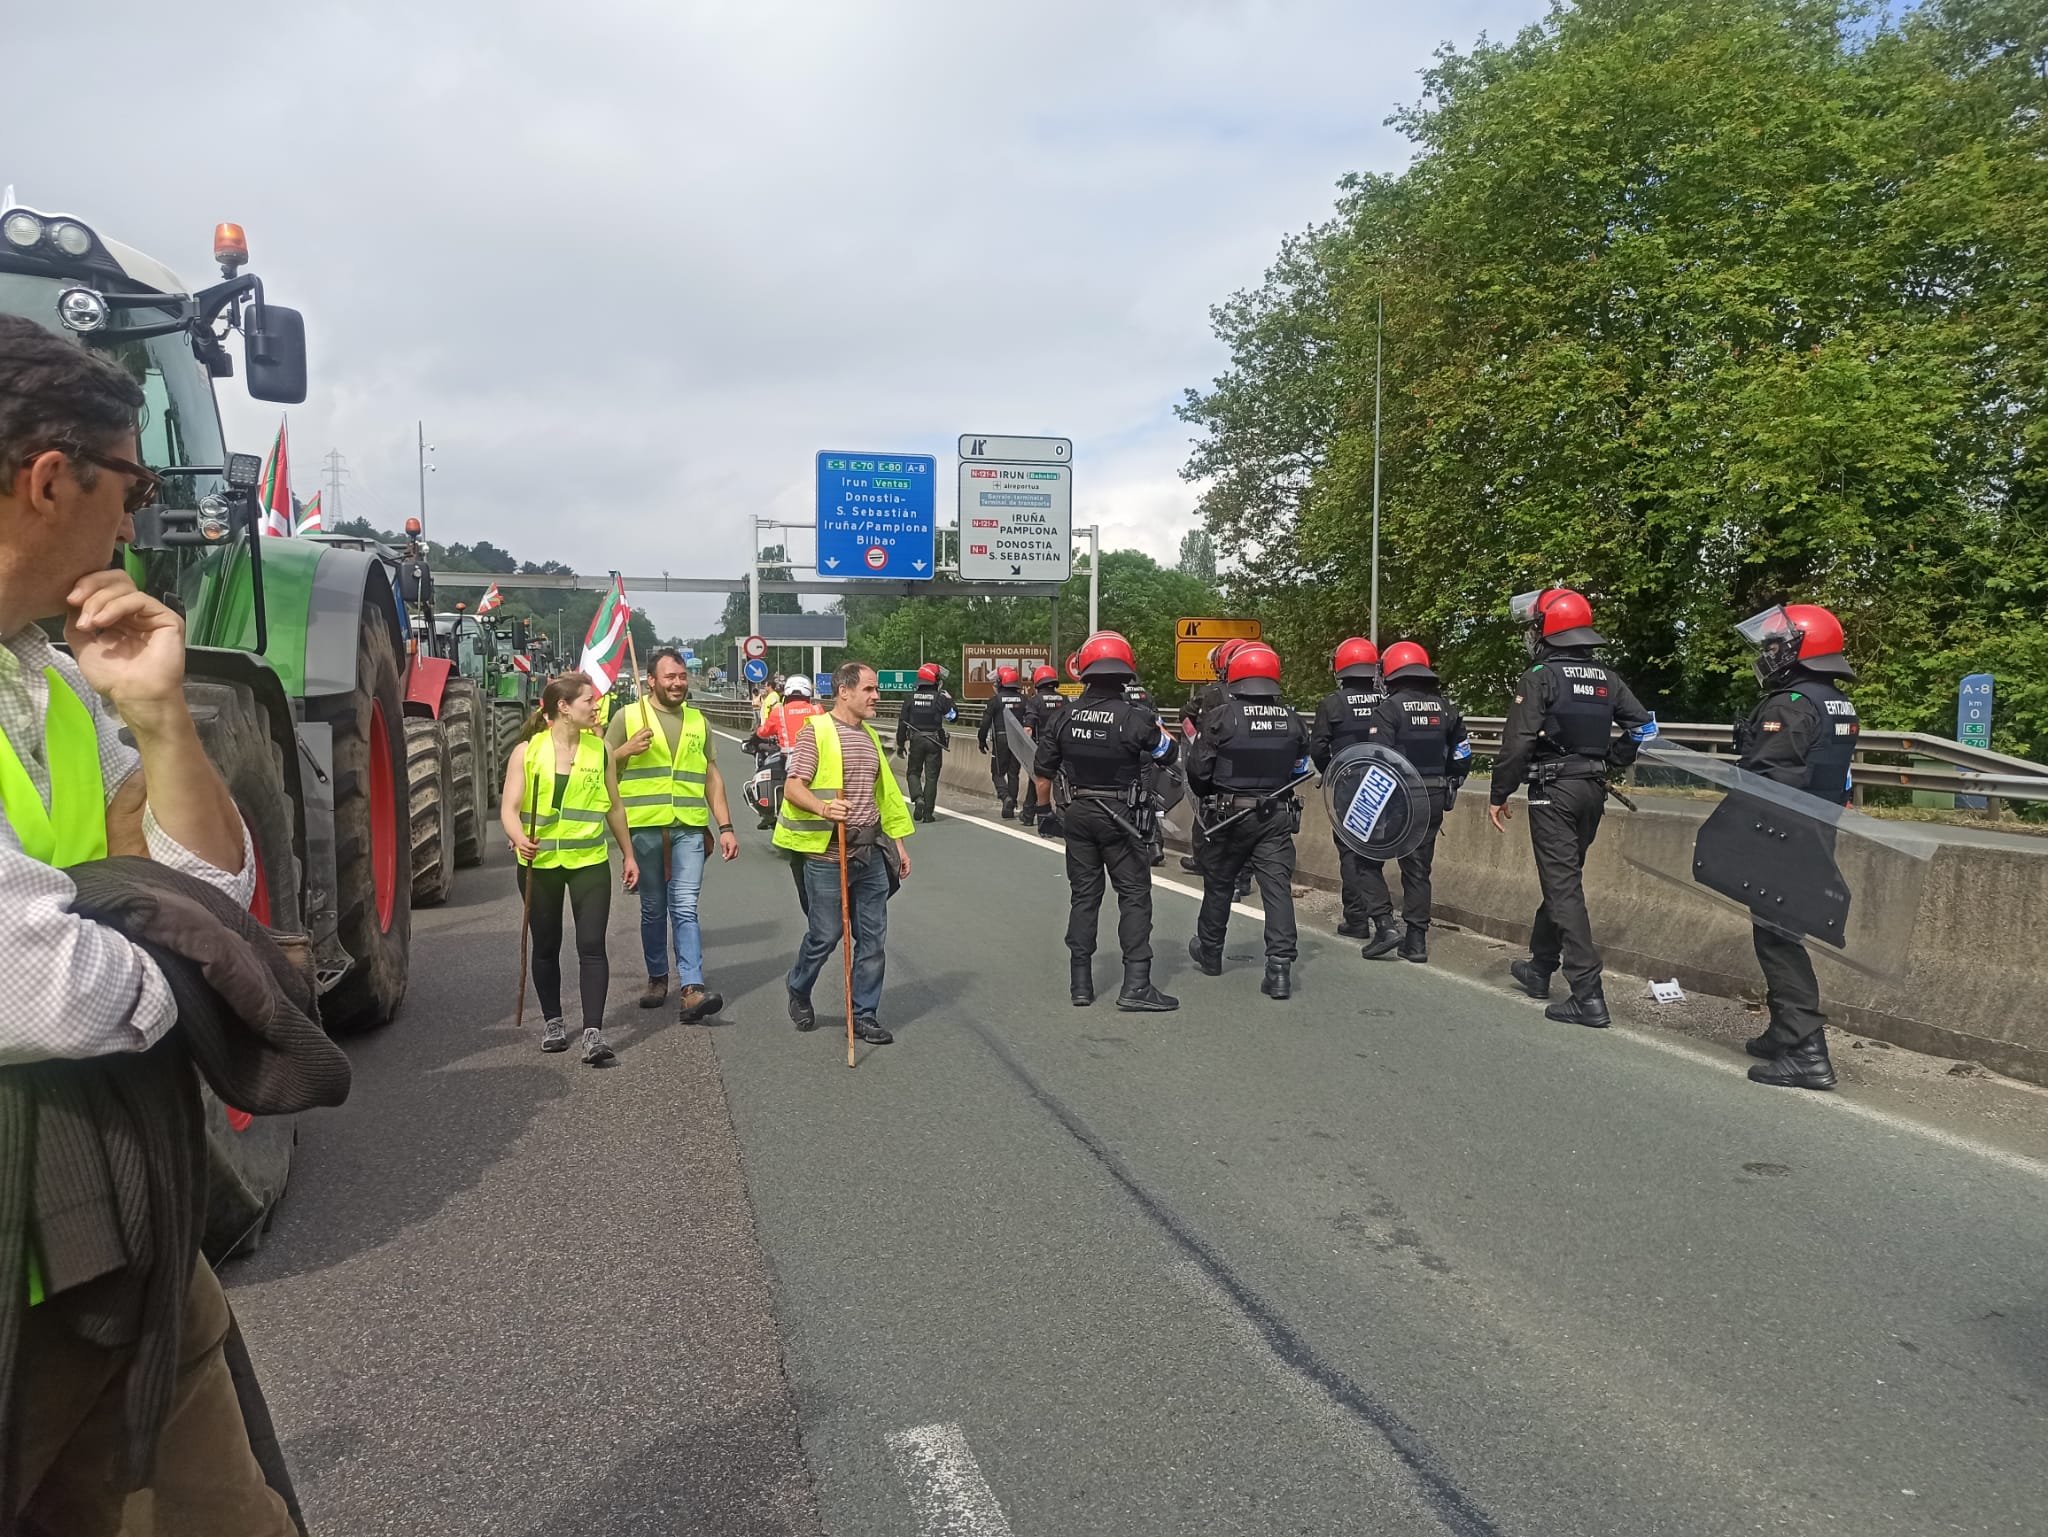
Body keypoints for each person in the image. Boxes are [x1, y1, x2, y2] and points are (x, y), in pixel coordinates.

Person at [0, 314, 317, 1531]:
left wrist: (169, 717)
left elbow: (213, 893)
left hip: (126, 1220)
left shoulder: (57, 677)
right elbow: (41, 980)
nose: (136, 522)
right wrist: (193, 971)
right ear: (48, 479)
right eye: (128, 486)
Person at [1489, 587, 1653, 1028]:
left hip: (1554, 790)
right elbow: (1645, 725)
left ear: (1549, 629)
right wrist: (1614, 760)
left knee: (1563, 887)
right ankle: (1540, 967)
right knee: (1563, 878)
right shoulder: (1606, 678)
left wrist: (1499, 793)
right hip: (1591, 790)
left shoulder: (1540, 676)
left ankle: (1587, 994)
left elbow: (1518, 742)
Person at [1732, 603, 1859, 1091]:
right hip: (1817, 828)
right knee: (1781, 931)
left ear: (1802, 647)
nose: (1768, 653)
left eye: (1776, 644)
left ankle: (1807, 1049)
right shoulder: (1835, 701)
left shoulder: (1791, 704)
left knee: (1778, 937)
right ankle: (1784, 1030)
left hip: (1783, 833)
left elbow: (1772, 780)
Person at [1032, 631, 1180, 1012]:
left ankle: (1080, 983)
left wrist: (1046, 812)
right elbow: (1168, 755)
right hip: (1123, 817)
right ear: (1126, 673)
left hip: (1078, 814)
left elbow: (1043, 772)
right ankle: (1137, 985)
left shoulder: (1064, 715)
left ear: (1085, 673)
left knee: (1084, 896)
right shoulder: (1136, 718)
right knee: (1133, 896)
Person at [775, 661, 915, 1045]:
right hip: (826, 855)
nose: (876, 696)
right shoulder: (815, 732)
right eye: (869, 689)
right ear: (845, 691)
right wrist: (823, 809)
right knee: (826, 934)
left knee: (873, 939)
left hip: (869, 853)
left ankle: (865, 1014)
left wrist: (898, 844)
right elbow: (793, 787)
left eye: (875, 689)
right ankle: (799, 987)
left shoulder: (869, 736)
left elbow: (883, 797)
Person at [502, 673, 639, 1062]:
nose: (596, 706)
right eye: (588, 701)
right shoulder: (526, 752)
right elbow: (509, 809)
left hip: (589, 862)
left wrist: (628, 854)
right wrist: (518, 835)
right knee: (545, 946)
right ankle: (554, 1022)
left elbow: (614, 806)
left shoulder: (600, 752)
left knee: (592, 946)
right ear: (563, 707)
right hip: (539, 864)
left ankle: (594, 1033)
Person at [607, 649, 738, 1023]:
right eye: (670, 677)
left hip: (689, 828)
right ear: (651, 680)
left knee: (684, 906)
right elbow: (596, 764)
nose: (678, 683)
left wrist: (725, 826)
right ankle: (657, 977)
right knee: (652, 908)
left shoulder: (698, 721)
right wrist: (624, 751)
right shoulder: (628, 717)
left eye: (682, 676)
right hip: (644, 830)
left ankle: (692, 988)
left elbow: (711, 776)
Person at [1186, 643, 1310, 1000]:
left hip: (1227, 814)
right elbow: (1300, 767)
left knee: (1220, 883)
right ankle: (1280, 968)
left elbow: (1198, 771)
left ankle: (1210, 951)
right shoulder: (1292, 719)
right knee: (1276, 889)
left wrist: (1215, 793)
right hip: (1275, 814)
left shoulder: (1221, 717)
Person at [1363, 643, 1469, 964]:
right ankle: (1416, 941)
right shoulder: (1446, 708)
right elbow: (1462, 755)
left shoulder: (1388, 709)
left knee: (1364, 858)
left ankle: (1384, 925)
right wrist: (1450, 780)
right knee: (1418, 868)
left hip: (1397, 796)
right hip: (1434, 796)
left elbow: (1377, 757)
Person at [1307, 637, 1386, 942]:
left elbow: (1318, 747)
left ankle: (1356, 918)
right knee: (1374, 848)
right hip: (1381, 783)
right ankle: (1374, 908)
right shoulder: (1385, 701)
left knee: (1350, 851)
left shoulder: (1333, 704)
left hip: (1347, 783)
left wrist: (1332, 772)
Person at [750, 674, 826, 910]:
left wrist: (754, 739)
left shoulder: (779, 712)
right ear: (806, 692)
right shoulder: (817, 709)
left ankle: (780, 824)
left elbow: (762, 732)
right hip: (818, 762)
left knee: (791, 798)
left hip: (790, 761)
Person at [895, 661, 956, 823]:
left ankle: (918, 798)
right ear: (934, 680)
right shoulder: (940, 698)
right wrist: (950, 701)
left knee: (913, 772)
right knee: (931, 777)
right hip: (935, 741)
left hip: (916, 739)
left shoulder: (910, 699)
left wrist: (900, 744)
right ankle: (928, 814)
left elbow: (902, 723)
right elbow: (953, 717)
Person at [1017, 664, 1068, 835]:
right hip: (1063, 746)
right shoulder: (1064, 699)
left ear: (1038, 682)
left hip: (1043, 747)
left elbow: (1029, 726)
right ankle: (1031, 813)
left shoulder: (1035, 701)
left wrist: (1024, 746)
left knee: (1039, 781)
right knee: (1061, 783)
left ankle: (1042, 822)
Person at [978, 664, 1029, 819]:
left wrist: (981, 740)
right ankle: (1011, 806)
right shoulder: (1024, 700)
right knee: (1014, 773)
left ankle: (1005, 796)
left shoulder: (995, 700)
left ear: (1001, 682)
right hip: (1018, 739)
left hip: (1001, 738)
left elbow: (985, 722)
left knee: (997, 772)